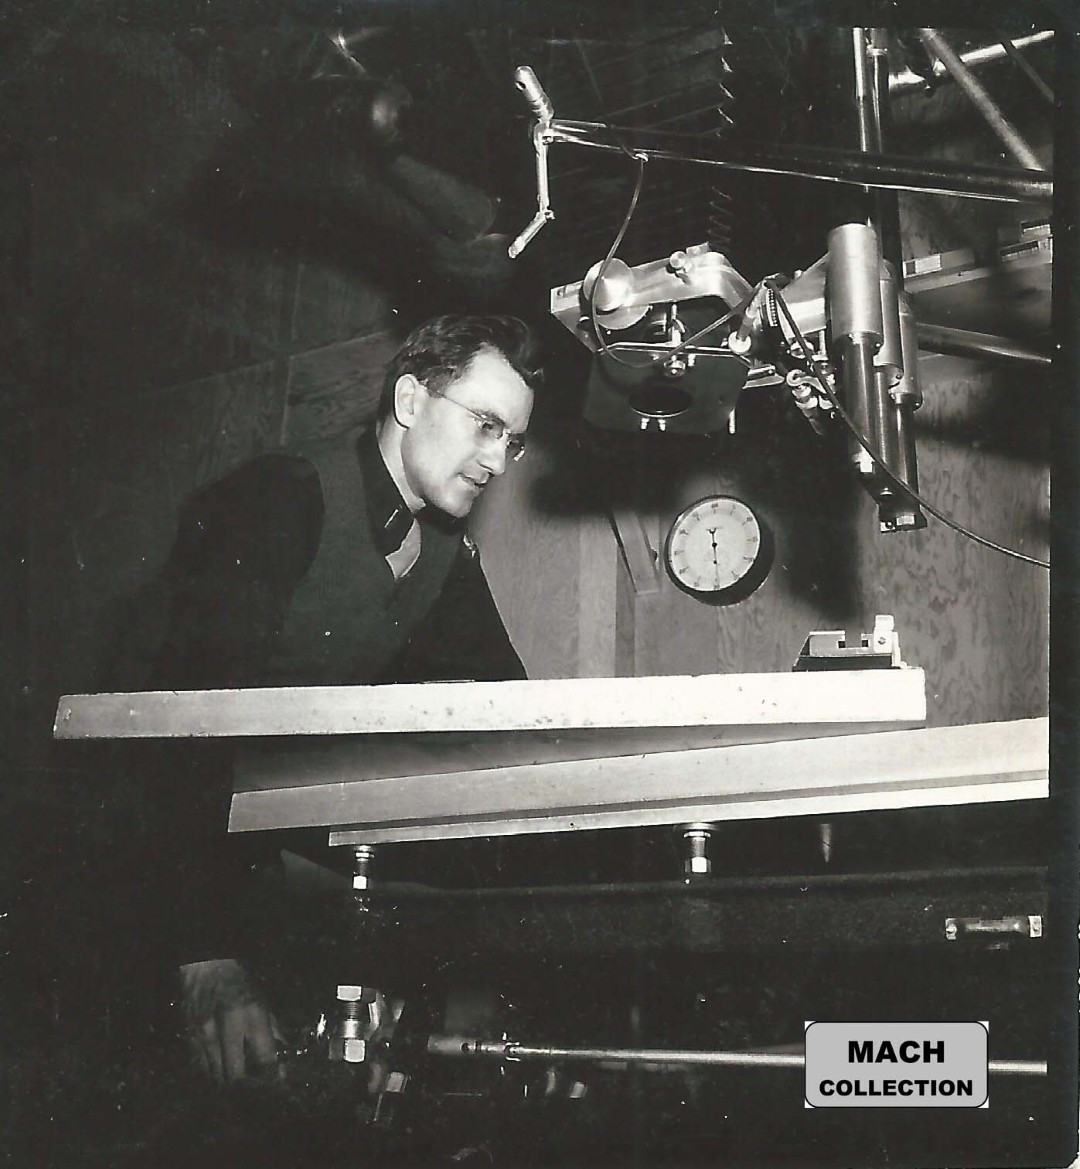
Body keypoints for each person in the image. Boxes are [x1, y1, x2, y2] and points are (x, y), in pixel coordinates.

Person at [106, 315, 540, 1085]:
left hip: (265, 859)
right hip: (151, 861)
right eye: (485, 425)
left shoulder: (442, 550)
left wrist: (486, 956)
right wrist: (203, 955)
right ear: (410, 400)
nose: (498, 461)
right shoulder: (279, 498)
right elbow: (174, 731)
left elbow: (511, 721)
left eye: (513, 441)